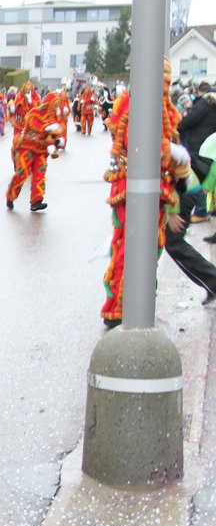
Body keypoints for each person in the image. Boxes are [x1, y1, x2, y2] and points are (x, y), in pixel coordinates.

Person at [100, 60, 183, 328]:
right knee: (132, 248)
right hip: (134, 188)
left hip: (143, 188)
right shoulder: (143, 106)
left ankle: (131, 301)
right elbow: (145, 147)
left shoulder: (151, 104)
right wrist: (173, 155)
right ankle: (120, 306)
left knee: (140, 247)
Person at [5, 92, 68, 212]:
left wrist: (56, 141)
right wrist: (47, 130)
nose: (56, 107)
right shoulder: (35, 113)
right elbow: (34, 125)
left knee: (40, 174)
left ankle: (36, 201)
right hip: (27, 148)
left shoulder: (53, 118)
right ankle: (10, 196)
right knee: (22, 173)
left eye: (57, 104)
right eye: (54, 104)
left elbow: (55, 133)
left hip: (42, 151)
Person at [164, 170, 216, 305]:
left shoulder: (158, 150)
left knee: (173, 242)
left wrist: (172, 212)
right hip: (185, 189)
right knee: (172, 242)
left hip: (183, 192)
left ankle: (213, 280)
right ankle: (212, 282)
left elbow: (168, 174)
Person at [178, 82, 216, 223]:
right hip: (210, 146)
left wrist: (180, 125)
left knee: (197, 178)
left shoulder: (205, 103)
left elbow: (190, 120)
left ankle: (201, 210)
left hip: (198, 145)